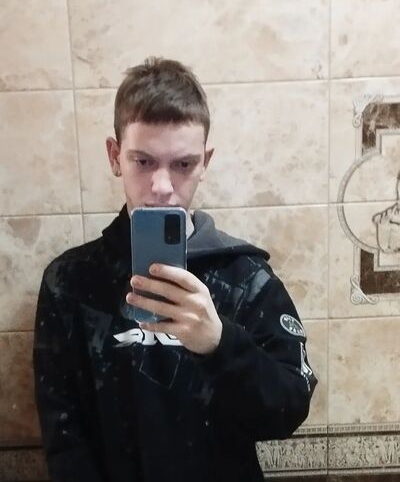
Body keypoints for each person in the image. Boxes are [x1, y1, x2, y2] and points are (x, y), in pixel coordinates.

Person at [33, 57, 317, 482]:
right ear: (115, 156)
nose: (162, 187)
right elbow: (64, 436)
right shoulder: (69, 282)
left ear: (204, 162)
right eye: (143, 161)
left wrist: (220, 343)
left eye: (182, 164)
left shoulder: (245, 278)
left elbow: (287, 412)